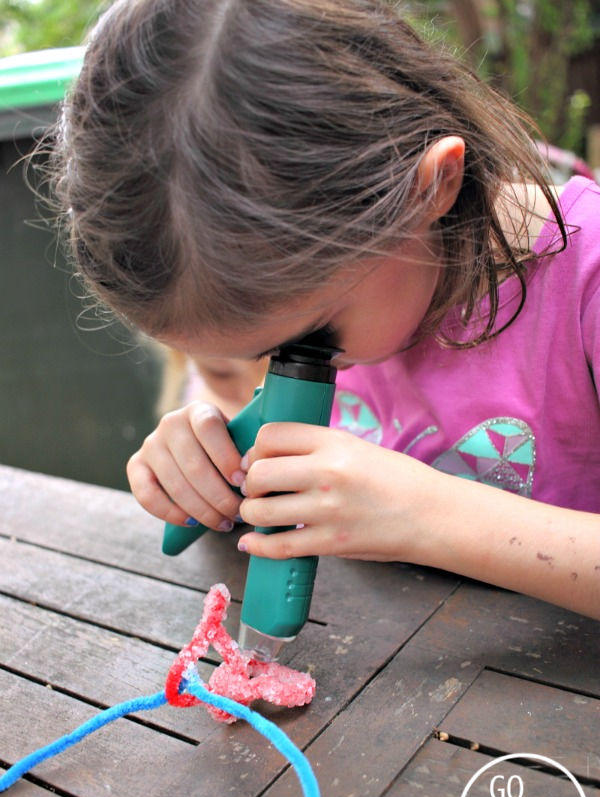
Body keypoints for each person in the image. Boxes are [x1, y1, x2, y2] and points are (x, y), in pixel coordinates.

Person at [49, 0, 600, 618]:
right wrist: (204, 468)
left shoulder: (587, 281)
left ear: (431, 187)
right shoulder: (347, 289)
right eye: (258, 357)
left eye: (308, 343)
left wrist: (428, 516)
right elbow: (245, 438)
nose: (280, 373)